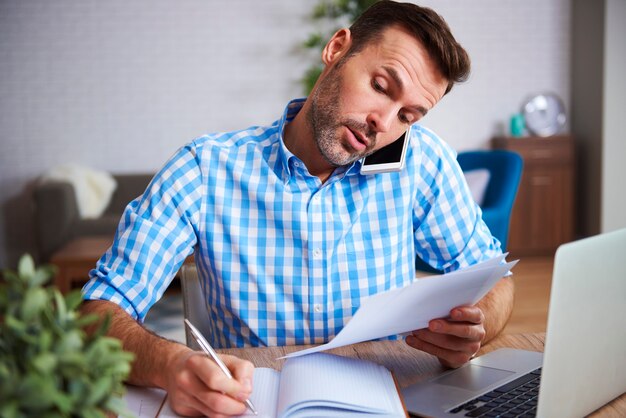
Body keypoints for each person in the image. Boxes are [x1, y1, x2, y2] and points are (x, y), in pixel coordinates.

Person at [81, 1, 514, 416]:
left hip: (389, 399)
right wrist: (169, 363)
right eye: (381, 87)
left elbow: (497, 278)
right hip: (255, 402)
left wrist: (476, 327)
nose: (384, 123)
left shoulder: (423, 163)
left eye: (408, 116)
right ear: (337, 49)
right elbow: (96, 312)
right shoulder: (204, 169)